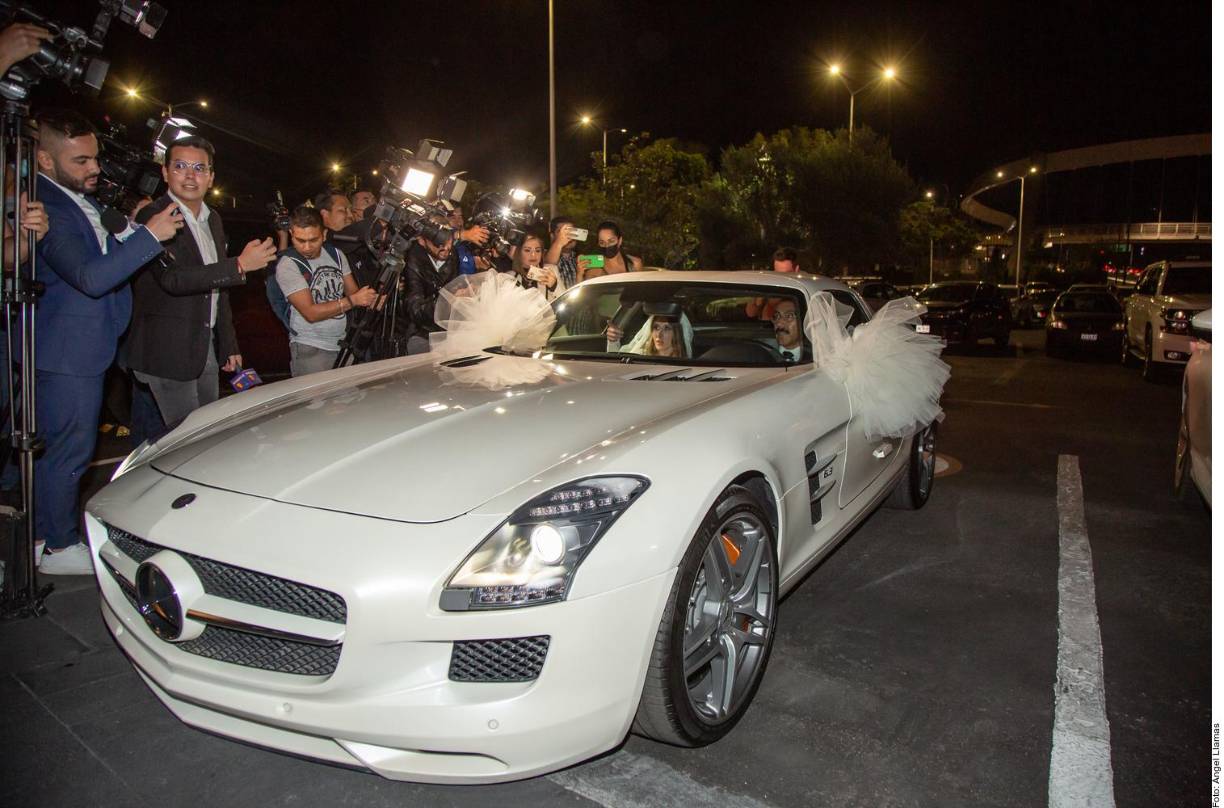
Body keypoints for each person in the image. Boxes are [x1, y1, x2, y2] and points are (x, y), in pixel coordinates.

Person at [32, 108, 182, 574]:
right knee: (69, 449)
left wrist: (134, 230)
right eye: (80, 161)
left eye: (94, 158)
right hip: (67, 347)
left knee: (67, 446)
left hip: (89, 343)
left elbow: (107, 255)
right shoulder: (47, 206)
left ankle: (44, 535)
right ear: (44, 160)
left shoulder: (82, 199)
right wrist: (150, 237)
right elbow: (89, 278)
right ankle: (56, 546)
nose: (94, 168)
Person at [127, 136, 277, 427]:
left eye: (199, 168)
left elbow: (217, 290)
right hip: (167, 350)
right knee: (186, 438)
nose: (190, 175)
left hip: (202, 347)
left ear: (211, 177)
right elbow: (172, 279)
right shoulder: (154, 216)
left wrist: (228, 343)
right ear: (165, 172)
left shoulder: (213, 220)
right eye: (181, 166)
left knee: (207, 432)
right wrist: (240, 264)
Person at [275, 206, 377, 375]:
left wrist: (372, 298)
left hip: (341, 344)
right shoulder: (288, 264)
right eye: (300, 240)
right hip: (311, 347)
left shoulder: (335, 254)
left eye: (313, 240)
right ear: (292, 234)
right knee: (316, 401)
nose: (307, 247)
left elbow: (353, 292)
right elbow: (311, 313)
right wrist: (353, 301)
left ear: (323, 235)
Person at [404, 219, 458, 354]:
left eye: (450, 242)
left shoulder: (452, 255)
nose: (446, 249)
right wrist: (447, 302)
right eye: (439, 244)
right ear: (422, 240)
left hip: (447, 330)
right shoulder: (411, 261)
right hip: (420, 333)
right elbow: (415, 311)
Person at [747, 247, 802, 320]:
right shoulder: (770, 283)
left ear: (796, 270)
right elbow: (750, 313)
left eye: (785, 274)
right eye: (777, 273)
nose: (781, 278)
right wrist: (758, 302)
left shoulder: (803, 289)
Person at [578, 220, 642, 283]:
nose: (607, 246)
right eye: (602, 242)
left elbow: (640, 290)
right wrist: (580, 275)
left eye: (611, 241)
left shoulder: (634, 264)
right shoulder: (595, 269)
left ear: (619, 241)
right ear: (598, 244)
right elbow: (583, 292)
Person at [509, 233, 563, 300]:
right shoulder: (510, 277)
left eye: (537, 250)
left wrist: (554, 287)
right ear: (518, 253)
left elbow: (566, 301)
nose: (533, 255)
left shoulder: (551, 270)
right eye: (527, 250)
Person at [544, 216, 581, 287]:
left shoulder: (579, 259)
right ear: (552, 236)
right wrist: (559, 242)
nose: (568, 235)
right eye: (561, 232)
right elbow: (549, 264)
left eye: (571, 231)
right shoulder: (541, 255)